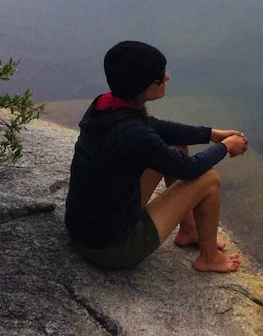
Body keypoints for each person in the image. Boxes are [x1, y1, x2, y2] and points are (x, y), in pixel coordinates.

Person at [65, 40, 248, 273]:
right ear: (141, 86)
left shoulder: (105, 105)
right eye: (159, 77)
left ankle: (189, 230)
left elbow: (155, 126)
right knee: (209, 179)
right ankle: (210, 258)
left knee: (175, 144)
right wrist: (225, 146)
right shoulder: (132, 134)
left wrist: (210, 134)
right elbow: (190, 168)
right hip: (113, 248)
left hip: (86, 229)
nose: (167, 78)